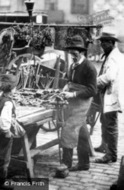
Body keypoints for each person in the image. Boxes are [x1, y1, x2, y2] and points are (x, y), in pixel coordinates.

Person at [60, 35, 97, 171]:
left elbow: (93, 90)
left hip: (83, 101)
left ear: (81, 51)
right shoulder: (73, 65)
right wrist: (67, 86)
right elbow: (71, 81)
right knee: (81, 131)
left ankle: (66, 164)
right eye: (71, 53)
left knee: (69, 128)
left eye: (75, 53)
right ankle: (84, 163)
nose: (73, 56)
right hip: (73, 100)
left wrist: (74, 94)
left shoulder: (89, 67)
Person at [94, 31, 124, 163]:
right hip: (108, 94)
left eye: (105, 42)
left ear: (112, 43)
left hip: (111, 95)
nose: (102, 44)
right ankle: (104, 145)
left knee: (110, 125)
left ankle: (111, 154)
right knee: (104, 121)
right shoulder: (112, 54)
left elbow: (110, 76)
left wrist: (95, 81)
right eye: (101, 42)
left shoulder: (113, 57)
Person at [0, 74, 21, 189]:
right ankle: (2, 181)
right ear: (12, 88)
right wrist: (6, 131)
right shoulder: (8, 102)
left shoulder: (1, 97)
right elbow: (4, 119)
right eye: (15, 87)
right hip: (3, 135)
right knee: (4, 158)